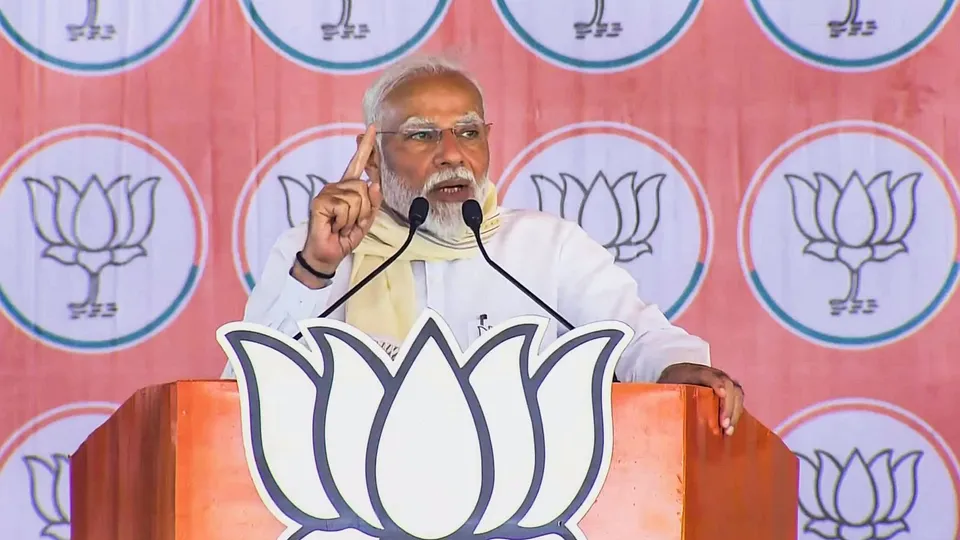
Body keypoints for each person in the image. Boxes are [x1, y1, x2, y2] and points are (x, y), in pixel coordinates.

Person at [222, 55, 745, 435]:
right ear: (374, 156)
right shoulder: (317, 248)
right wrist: (315, 269)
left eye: (469, 132)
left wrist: (675, 369)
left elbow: (641, 341)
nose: (453, 155)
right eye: (423, 135)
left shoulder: (544, 247)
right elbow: (243, 386)